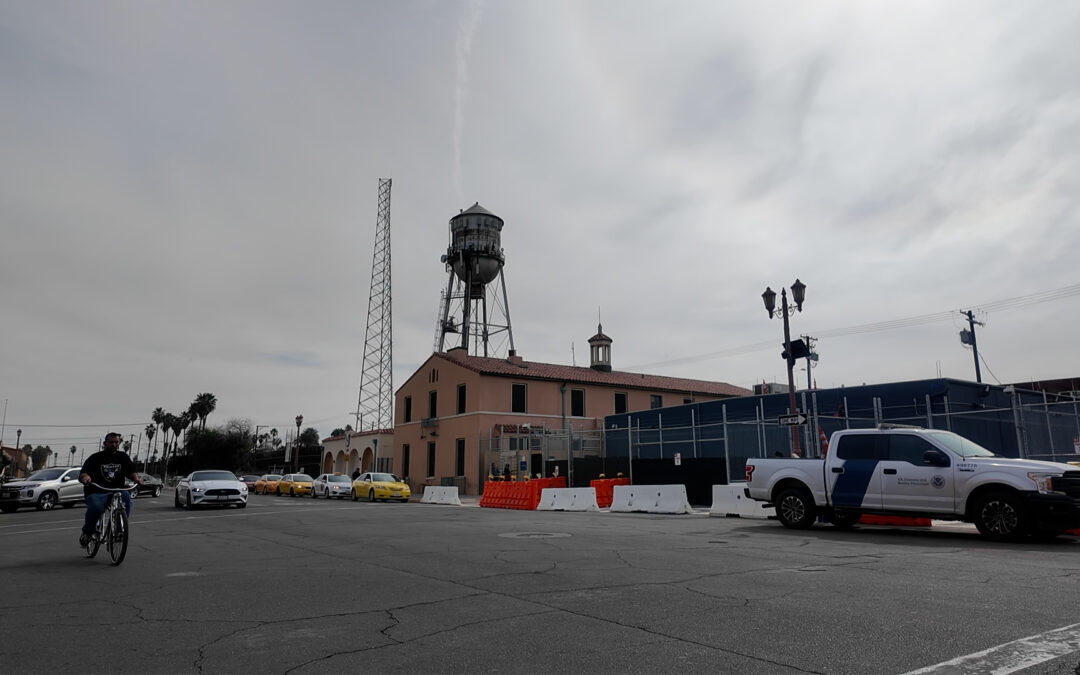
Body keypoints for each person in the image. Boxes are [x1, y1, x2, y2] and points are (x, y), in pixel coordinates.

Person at [79, 432, 141, 547]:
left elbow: (131, 471)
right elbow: (84, 472)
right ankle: (87, 532)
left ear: (119, 443)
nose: (113, 444)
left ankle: (119, 530)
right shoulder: (95, 458)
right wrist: (85, 477)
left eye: (116, 442)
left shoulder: (123, 457)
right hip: (97, 491)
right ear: (105, 443)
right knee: (96, 508)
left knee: (126, 498)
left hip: (117, 490)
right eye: (111, 442)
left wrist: (136, 479)